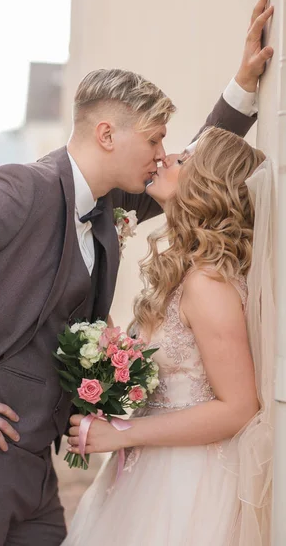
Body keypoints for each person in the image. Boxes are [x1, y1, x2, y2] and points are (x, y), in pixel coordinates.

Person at [0, 0, 272, 546]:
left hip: (34, 463)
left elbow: (202, 168)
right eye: (153, 140)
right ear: (108, 135)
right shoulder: (22, 189)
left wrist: (244, 87)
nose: (162, 155)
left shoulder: (112, 204)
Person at [65, 128, 274, 546]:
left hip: (188, 485)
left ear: (206, 185)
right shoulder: (184, 271)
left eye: (183, 158)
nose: (167, 157)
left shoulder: (208, 284)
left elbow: (239, 408)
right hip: (150, 468)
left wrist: (125, 433)